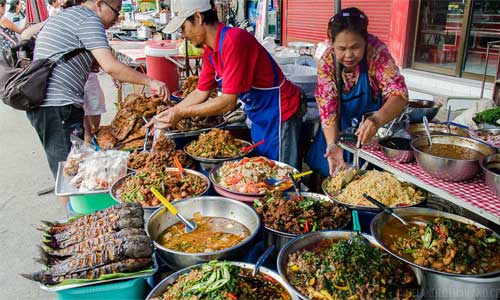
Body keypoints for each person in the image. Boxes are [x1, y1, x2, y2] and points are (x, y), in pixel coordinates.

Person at [28, 0, 169, 204]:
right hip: (56, 107)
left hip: (57, 104)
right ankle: (73, 223)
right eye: (116, 11)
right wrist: (150, 81)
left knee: (76, 163)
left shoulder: (72, 15)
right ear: (100, 4)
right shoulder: (89, 19)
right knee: (70, 173)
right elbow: (111, 66)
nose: (118, 18)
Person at [154, 0, 302, 168]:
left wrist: (182, 112)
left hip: (280, 112)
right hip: (259, 114)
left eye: (183, 27)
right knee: (265, 168)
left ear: (198, 17)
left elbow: (228, 101)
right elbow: (200, 92)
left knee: (282, 173)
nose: (183, 34)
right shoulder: (210, 51)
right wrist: (171, 112)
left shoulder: (233, 40)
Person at [306, 7, 408, 176]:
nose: (348, 55)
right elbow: (327, 108)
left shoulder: (376, 54)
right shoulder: (327, 62)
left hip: (370, 137)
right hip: (336, 129)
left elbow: (399, 94)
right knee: (329, 175)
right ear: (332, 44)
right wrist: (332, 144)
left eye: (355, 47)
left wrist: (376, 120)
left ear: (365, 40)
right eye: (341, 48)